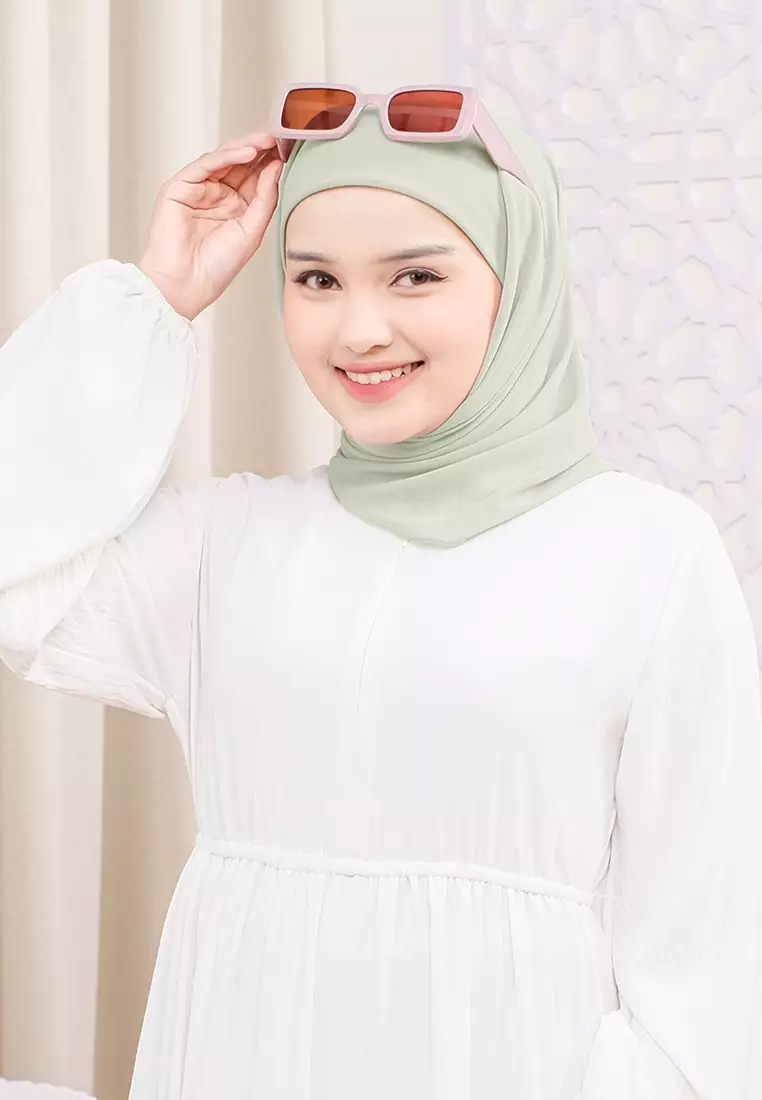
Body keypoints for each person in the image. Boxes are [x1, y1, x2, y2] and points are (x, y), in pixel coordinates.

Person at [0, 89, 761, 1100]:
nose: (359, 330)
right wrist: (157, 295)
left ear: (519, 281)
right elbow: (18, 569)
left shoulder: (648, 552)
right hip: (242, 1055)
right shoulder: (228, 543)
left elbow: (707, 955)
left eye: (416, 276)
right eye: (316, 278)